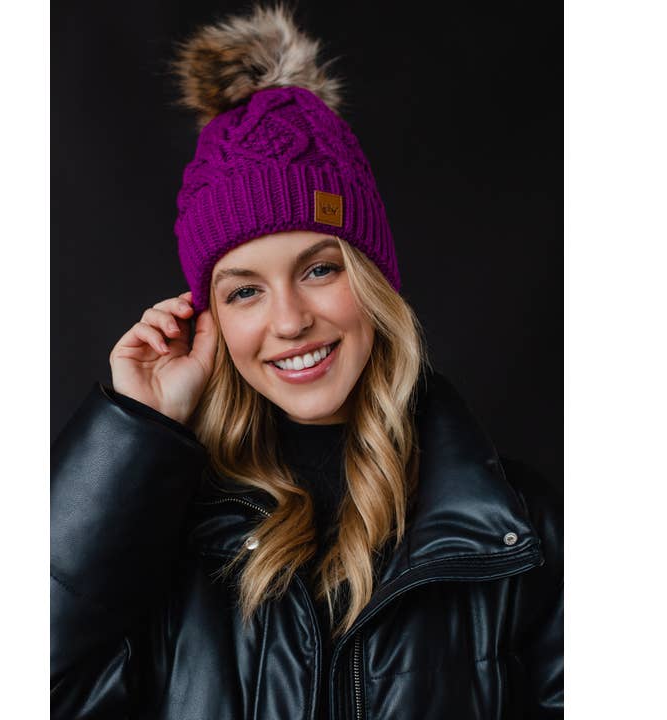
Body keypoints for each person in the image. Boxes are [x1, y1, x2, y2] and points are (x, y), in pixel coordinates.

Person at [51, 4, 563, 718]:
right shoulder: (162, 526)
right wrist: (134, 430)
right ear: (208, 317)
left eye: (320, 269)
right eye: (245, 291)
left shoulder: (518, 524)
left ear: (374, 281)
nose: (289, 321)